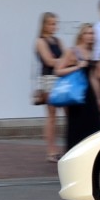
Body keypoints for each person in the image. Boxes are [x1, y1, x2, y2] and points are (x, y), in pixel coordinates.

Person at [57, 23, 100, 150]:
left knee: (95, 127)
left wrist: (99, 98)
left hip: (90, 97)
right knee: (77, 128)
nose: (90, 36)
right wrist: (77, 66)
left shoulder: (91, 53)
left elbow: (93, 77)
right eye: (88, 33)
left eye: (92, 33)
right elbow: (58, 71)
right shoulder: (72, 51)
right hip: (77, 96)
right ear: (81, 35)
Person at [34, 12, 64, 162]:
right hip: (48, 80)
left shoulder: (57, 40)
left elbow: (65, 57)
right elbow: (49, 61)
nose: (54, 26)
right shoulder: (40, 41)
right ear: (44, 25)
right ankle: (51, 151)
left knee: (62, 115)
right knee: (52, 116)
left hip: (60, 79)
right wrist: (62, 62)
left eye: (55, 23)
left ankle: (60, 148)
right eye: (52, 24)